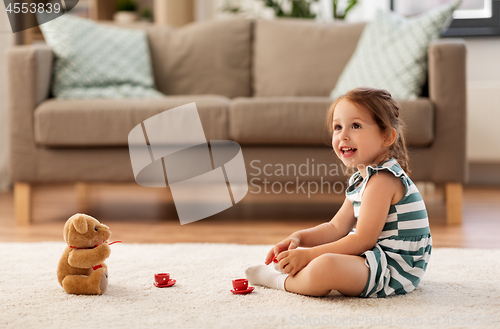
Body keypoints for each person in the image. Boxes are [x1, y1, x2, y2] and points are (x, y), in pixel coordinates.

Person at [245, 87, 432, 298]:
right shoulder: (362, 179)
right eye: (337, 127)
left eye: (355, 126)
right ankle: (298, 272)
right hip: (375, 259)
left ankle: (277, 280)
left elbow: (362, 240)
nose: (343, 135)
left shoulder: (383, 180)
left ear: (386, 136)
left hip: (394, 270)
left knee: (324, 266)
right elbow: (335, 227)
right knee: (323, 260)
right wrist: (298, 238)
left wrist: (308, 256)